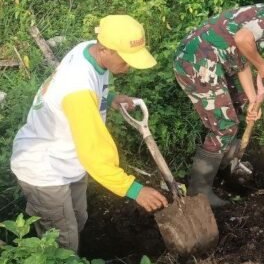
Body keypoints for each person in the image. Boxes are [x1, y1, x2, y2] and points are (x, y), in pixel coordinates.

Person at [10, 15, 168, 252]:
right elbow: (93, 154)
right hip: (45, 168)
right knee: (62, 241)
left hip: (67, 160)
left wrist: (110, 98)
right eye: (126, 61)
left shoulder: (87, 50)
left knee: (78, 218)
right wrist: (135, 190)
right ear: (105, 49)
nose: (129, 67)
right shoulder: (79, 91)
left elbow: (87, 91)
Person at [174, 0, 264, 206]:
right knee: (225, 126)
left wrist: (253, 98)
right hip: (198, 64)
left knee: (236, 108)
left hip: (202, 62)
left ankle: (223, 163)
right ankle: (199, 194)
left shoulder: (261, 13)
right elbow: (242, 40)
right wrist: (263, 65)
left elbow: (242, 62)